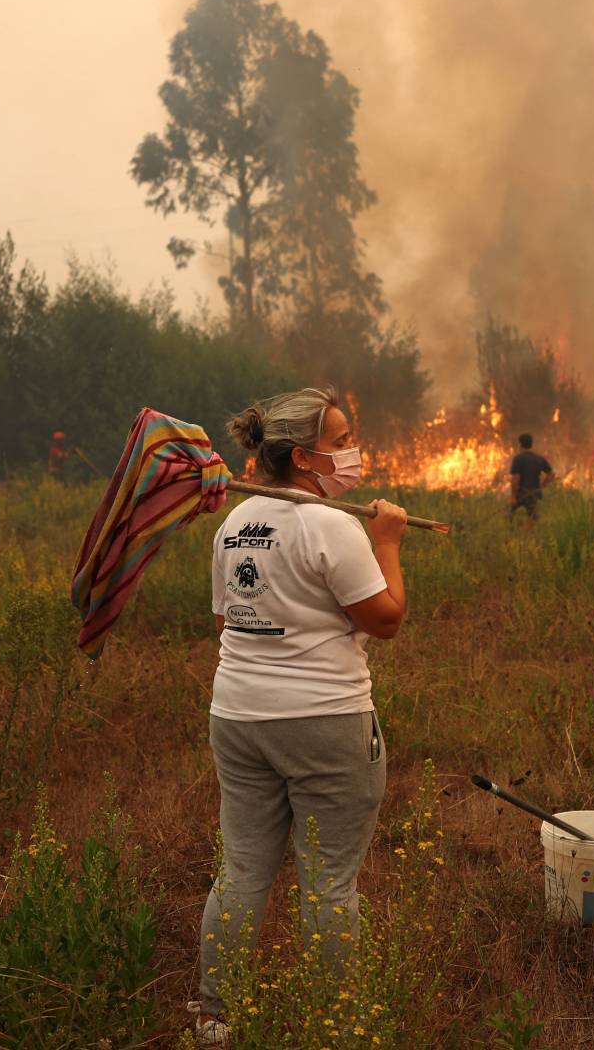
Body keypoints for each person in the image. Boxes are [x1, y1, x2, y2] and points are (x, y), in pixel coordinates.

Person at [188, 387, 409, 1047]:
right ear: (306, 456)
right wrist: (388, 541)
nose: (351, 451)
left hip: (237, 716)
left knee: (243, 868)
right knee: (331, 883)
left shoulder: (234, 523)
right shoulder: (332, 524)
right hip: (325, 722)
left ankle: (214, 1017)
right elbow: (386, 618)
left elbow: (229, 619)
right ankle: (334, 1021)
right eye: (342, 441)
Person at [507, 433, 554, 521]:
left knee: (510, 517)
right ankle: (531, 533)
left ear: (520, 445)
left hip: (521, 494)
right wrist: (541, 486)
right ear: (531, 444)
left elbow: (515, 478)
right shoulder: (539, 459)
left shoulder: (518, 459)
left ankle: (512, 532)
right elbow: (551, 474)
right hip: (534, 493)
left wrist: (513, 496)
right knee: (533, 517)